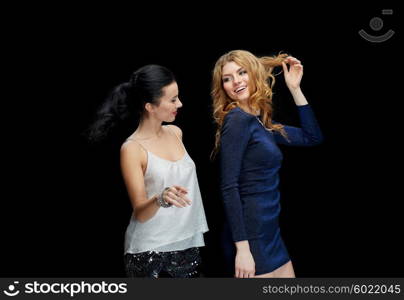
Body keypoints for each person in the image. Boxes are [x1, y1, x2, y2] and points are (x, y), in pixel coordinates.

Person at [88, 64, 209, 278]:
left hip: (187, 245)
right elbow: (140, 212)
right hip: (150, 254)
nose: (179, 104)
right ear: (150, 107)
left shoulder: (175, 132)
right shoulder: (132, 149)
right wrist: (161, 198)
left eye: (178, 97)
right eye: (172, 100)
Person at [211, 50, 323, 278]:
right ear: (222, 87)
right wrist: (242, 249)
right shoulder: (237, 120)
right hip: (250, 237)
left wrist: (295, 88)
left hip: (270, 232)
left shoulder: (261, 124)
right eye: (227, 78)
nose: (236, 81)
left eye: (242, 72)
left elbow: (313, 137)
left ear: (253, 73)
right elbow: (228, 186)